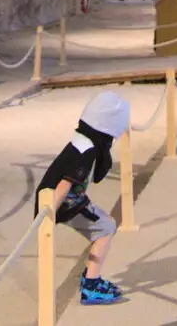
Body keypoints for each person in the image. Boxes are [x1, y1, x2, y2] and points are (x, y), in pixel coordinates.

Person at [36, 91, 131, 305]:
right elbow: (63, 185)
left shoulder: (84, 141)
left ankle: (90, 279)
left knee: (106, 225)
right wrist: (45, 219)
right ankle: (91, 284)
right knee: (106, 227)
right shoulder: (85, 151)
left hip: (70, 200)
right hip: (63, 204)